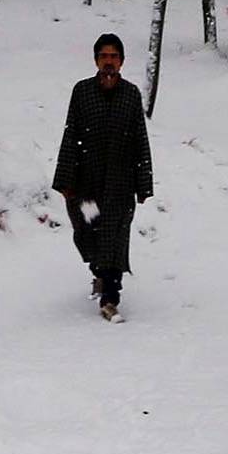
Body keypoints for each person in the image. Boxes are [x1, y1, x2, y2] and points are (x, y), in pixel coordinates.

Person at [53, 32, 153, 320]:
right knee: (88, 234)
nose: (109, 62)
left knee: (115, 237)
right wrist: (65, 180)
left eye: (114, 56)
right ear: (96, 60)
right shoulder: (82, 92)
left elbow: (140, 140)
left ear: (121, 61)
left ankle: (110, 297)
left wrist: (143, 182)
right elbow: (71, 134)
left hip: (121, 185)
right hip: (87, 184)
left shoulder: (131, 94)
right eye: (104, 56)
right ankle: (98, 272)